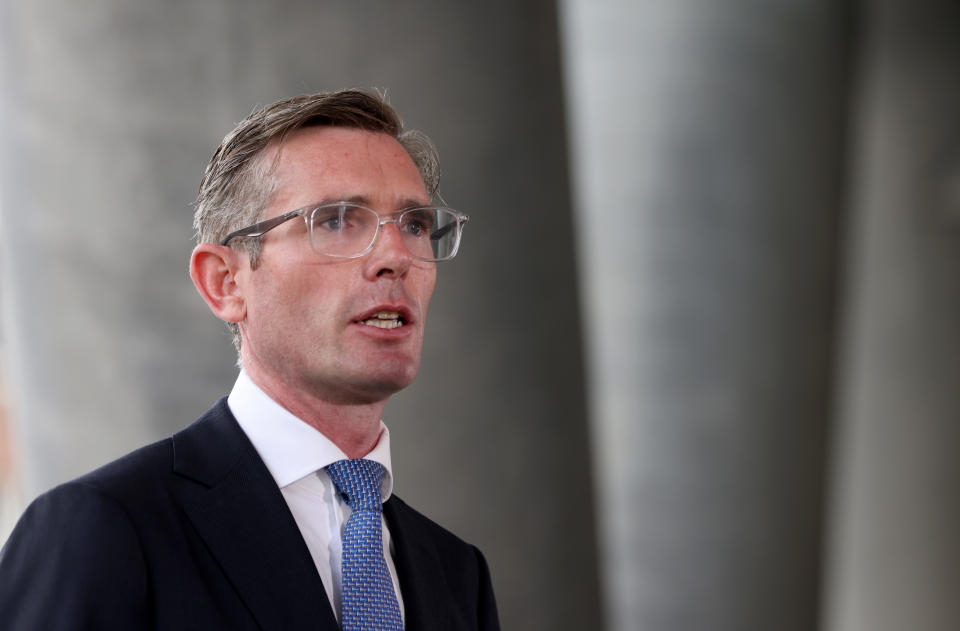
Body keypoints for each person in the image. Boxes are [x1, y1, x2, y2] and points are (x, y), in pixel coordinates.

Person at [0, 89, 500, 631]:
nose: (396, 257)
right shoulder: (102, 529)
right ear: (225, 282)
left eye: (415, 225)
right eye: (335, 220)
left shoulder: (456, 573)